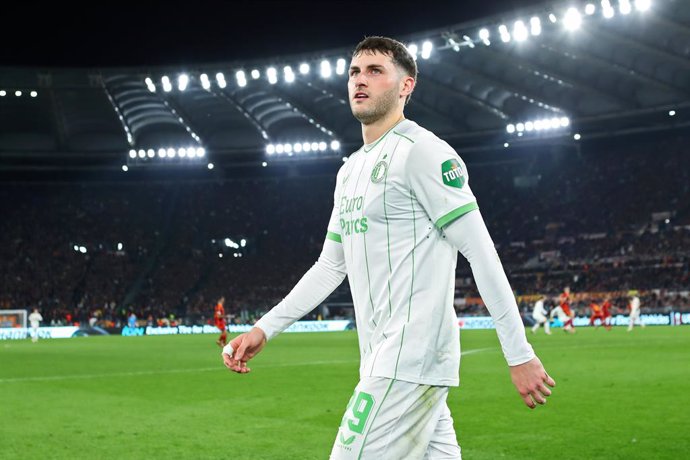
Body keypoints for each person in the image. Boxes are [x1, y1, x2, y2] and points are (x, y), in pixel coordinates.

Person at [221, 36, 555, 459]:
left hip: (408, 359)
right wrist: (265, 327)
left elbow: (481, 252)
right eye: (355, 72)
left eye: (375, 71)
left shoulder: (424, 153)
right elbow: (329, 266)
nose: (360, 80)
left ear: (406, 86)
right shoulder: (350, 172)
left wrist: (518, 353)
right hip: (386, 357)